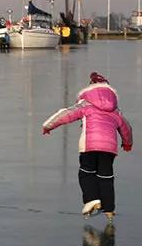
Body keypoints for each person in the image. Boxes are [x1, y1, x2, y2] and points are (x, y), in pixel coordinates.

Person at [42, 72, 133, 221]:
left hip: (90, 145)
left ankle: (91, 199)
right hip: (109, 148)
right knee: (106, 177)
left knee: (86, 172)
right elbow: (126, 128)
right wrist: (128, 143)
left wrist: (47, 126)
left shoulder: (85, 105)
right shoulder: (115, 111)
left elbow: (65, 114)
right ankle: (109, 211)